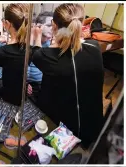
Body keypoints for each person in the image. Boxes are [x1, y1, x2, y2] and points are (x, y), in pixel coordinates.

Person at [31, 3, 105, 148]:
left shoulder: (47, 56)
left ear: (53, 25)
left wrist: (37, 36)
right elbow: (72, 43)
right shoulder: (94, 47)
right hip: (95, 125)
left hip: (66, 132)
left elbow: (36, 53)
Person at [0, 3, 37, 106]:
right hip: (22, 88)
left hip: (11, 95)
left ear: (7, 23)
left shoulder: (4, 52)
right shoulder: (29, 48)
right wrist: (8, 41)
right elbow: (14, 53)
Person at [28, 11, 54, 104]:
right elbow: (22, 65)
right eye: (49, 25)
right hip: (31, 83)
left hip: (44, 81)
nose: (52, 29)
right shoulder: (30, 43)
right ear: (38, 26)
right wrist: (25, 84)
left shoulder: (49, 42)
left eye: (53, 25)